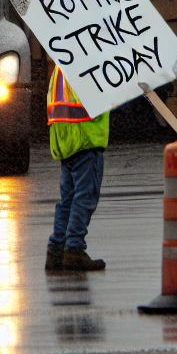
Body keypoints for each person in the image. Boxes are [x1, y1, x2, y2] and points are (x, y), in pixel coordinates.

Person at [45, 64, 110, 272]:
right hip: (86, 137)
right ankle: (74, 249)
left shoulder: (61, 65)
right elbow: (101, 96)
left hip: (65, 139)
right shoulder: (86, 61)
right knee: (84, 197)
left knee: (68, 200)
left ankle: (56, 250)